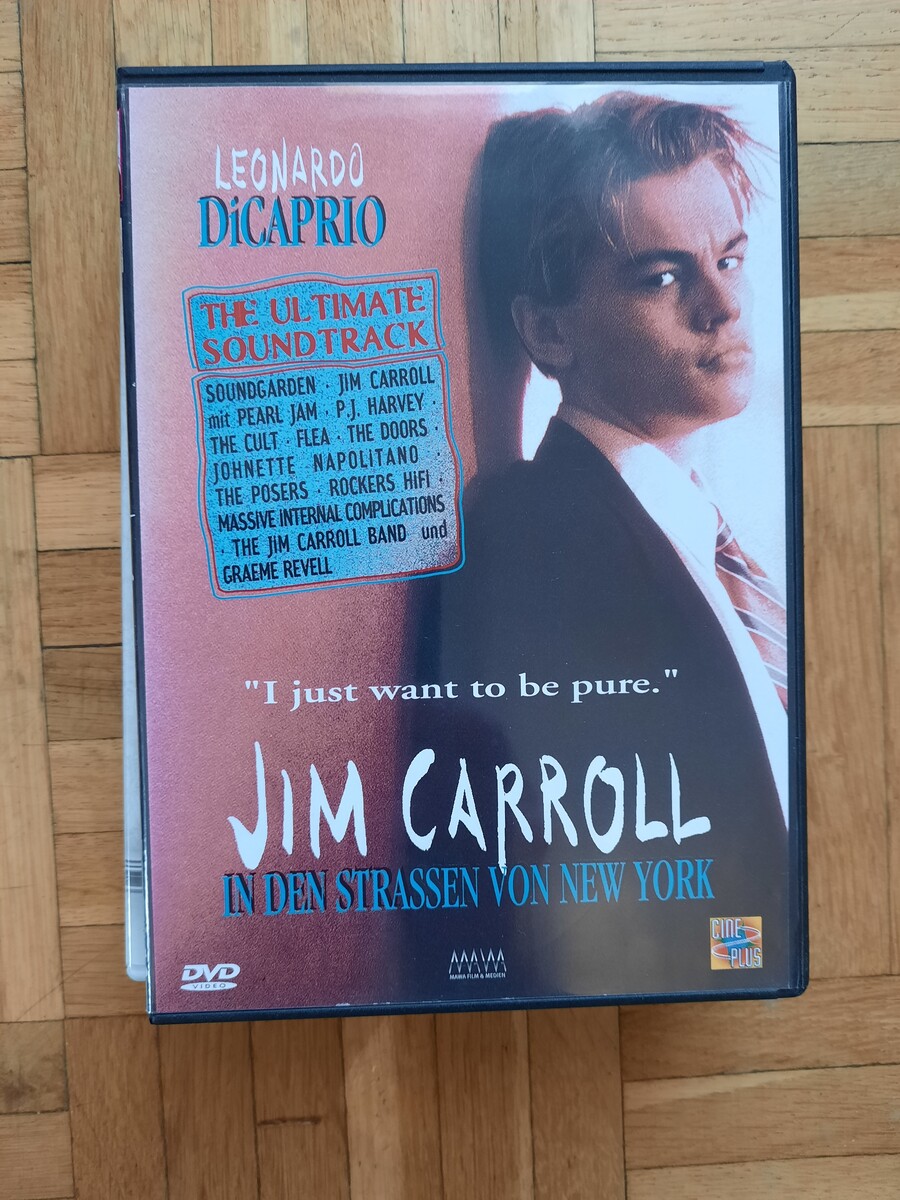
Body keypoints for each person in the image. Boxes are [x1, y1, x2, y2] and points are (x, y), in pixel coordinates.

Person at [405, 93, 795, 1001]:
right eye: (662, 278)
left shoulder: (703, 528)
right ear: (548, 331)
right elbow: (570, 894)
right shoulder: (529, 538)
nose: (723, 305)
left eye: (729, 258)